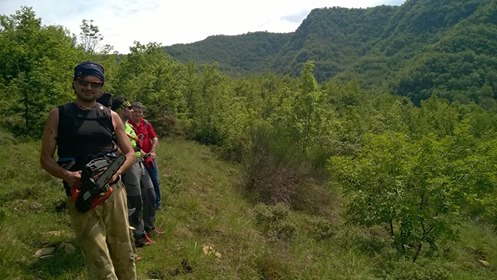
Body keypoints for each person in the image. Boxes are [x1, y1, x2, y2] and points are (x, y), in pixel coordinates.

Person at [40, 61, 137, 279]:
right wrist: (67, 175)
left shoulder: (110, 116)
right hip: (80, 195)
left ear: (101, 86)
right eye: (84, 83)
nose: (89, 88)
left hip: (113, 191)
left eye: (95, 84)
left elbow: (130, 154)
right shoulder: (59, 115)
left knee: (124, 253)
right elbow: (45, 158)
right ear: (74, 84)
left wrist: (116, 171)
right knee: (98, 260)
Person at [111, 96, 157, 247]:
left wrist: (144, 154)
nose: (131, 111)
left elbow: (137, 144)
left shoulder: (128, 127)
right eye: (128, 108)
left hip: (139, 163)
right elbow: (115, 149)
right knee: (135, 200)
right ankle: (138, 235)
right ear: (119, 110)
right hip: (128, 165)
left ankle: (149, 228)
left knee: (150, 193)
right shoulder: (114, 126)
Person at [129, 102, 162, 211]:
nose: (138, 114)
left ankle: (157, 203)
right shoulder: (127, 125)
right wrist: (143, 154)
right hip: (137, 158)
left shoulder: (146, 123)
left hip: (149, 157)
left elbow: (154, 138)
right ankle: (141, 205)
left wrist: (153, 150)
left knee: (155, 180)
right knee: (139, 183)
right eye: (135, 112)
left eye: (140, 112)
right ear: (131, 112)